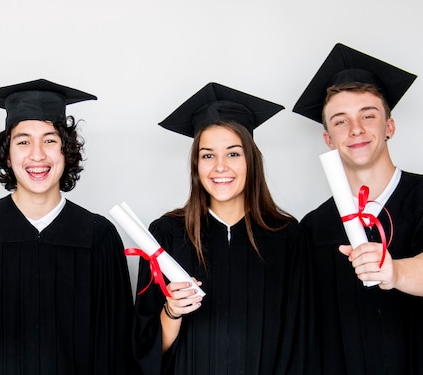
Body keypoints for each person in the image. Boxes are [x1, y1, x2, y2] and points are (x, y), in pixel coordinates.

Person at [0, 79, 135, 374]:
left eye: (50, 140)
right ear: (7, 155)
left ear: (66, 150)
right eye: (23, 141)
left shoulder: (98, 235)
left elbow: (115, 349)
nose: (37, 154)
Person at [133, 82, 317, 374]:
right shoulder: (167, 234)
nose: (220, 166)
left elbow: (300, 340)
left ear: (251, 160)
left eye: (233, 153)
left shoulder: (286, 236)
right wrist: (172, 311)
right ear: (196, 165)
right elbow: (144, 349)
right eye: (207, 155)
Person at [293, 43, 423, 374]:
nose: (356, 129)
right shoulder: (313, 228)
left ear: (389, 127)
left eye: (368, 115)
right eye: (341, 121)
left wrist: (396, 272)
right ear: (328, 139)